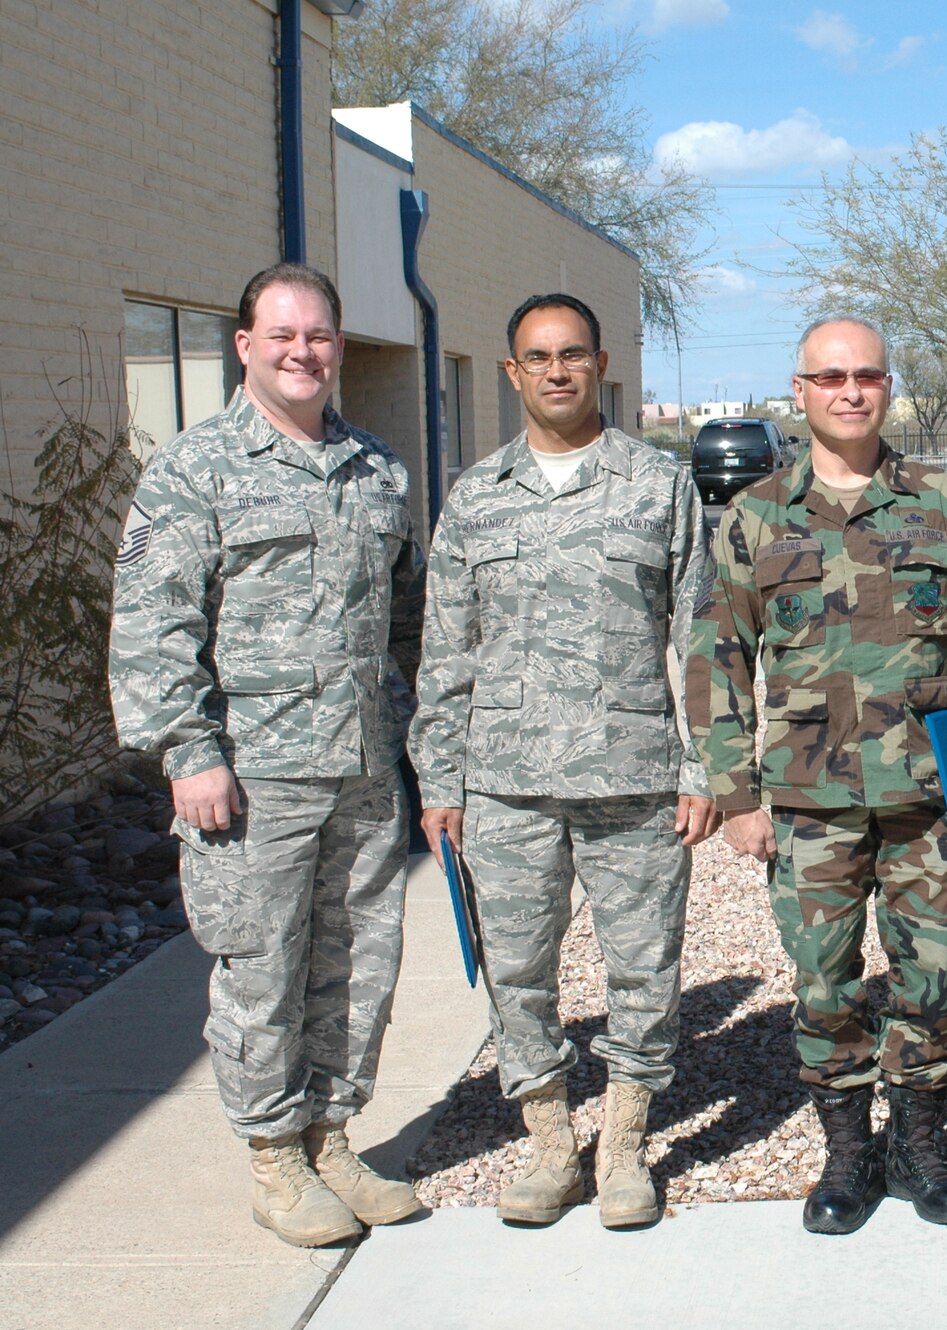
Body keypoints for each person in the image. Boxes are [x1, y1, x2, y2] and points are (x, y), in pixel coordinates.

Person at [108, 263, 426, 1247]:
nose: (303, 351)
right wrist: (188, 751)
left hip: (364, 772)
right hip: (252, 779)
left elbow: (408, 619)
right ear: (244, 346)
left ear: (337, 344)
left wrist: (423, 736)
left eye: (319, 334)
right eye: (281, 334)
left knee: (357, 967)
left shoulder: (377, 470)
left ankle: (331, 1134)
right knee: (261, 972)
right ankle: (273, 1156)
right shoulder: (195, 469)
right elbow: (151, 623)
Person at [690, 316, 947, 1235]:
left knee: (927, 980)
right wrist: (735, 794)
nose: (850, 391)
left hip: (927, 801)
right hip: (807, 806)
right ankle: (847, 1153)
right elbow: (718, 655)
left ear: (887, 388)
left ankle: (917, 1146)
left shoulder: (945, 506)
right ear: (797, 393)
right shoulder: (756, 516)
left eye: (867, 376)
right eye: (830, 377)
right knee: (826, 985)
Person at [409, 293, 716, 1230]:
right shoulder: (477, 496)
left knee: (642, 967)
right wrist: (438, 779)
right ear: (512, 374)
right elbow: (445, 648)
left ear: (599, 366)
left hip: (632, 774)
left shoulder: (658, 486)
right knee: (517, 970)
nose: (555, 372)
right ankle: (551, 1144)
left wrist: (703, 768)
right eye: (537, 358)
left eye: (573, 355)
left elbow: (697, 637)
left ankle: (623, 1147)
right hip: (505, 784)